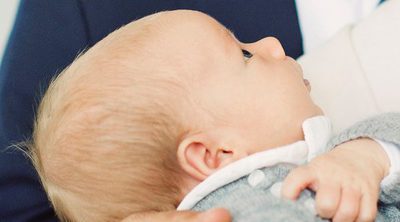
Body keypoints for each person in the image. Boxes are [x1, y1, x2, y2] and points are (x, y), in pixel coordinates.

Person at [27, 10, 400, 222]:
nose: (271, 45)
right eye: (245, 55)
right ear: (215, 154)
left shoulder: (329, 157)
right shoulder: (244, 210)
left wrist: (366, 154)